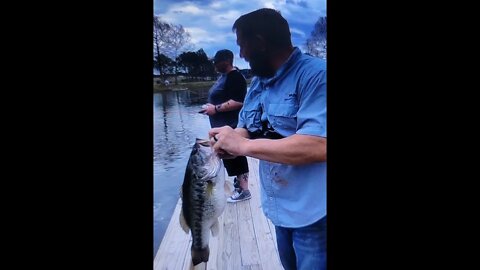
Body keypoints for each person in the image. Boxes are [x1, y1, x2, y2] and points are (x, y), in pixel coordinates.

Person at [208, 8, 327, 270]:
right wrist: (229, 140)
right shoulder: (260, 82)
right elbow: (247, 128)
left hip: (315, 214)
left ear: (260, 43)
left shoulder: (317, 76)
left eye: (242, 45)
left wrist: (244, 146)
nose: (240, 54)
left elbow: (319, 144)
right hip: (279, 209)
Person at [201, 49, 252, 202]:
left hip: (232, 125)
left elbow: (238, 101)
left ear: (226, 61)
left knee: (236, 156)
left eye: (217, 61)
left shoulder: (236, 77)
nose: (215, 65)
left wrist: (215, 109)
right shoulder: (224, 77)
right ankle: (238, 182)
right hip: (220, 124)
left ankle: (244, 191)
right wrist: (210, 106)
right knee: (228, 156)